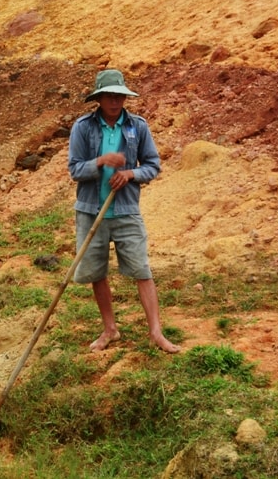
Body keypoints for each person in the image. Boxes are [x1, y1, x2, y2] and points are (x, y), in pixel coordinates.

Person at [68, 69, 181, 354]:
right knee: (97, 273)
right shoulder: (83, 127)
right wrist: (101, 161)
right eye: (109, 95)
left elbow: (153, 165)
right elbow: (75, 170)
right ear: (99, 98)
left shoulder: (138, 127)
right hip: (91, 212)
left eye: (119, 95)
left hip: (126, 210)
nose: (115, 101)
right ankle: (110, 329)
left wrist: (131, 173)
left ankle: (156, 332)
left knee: (142, 270)